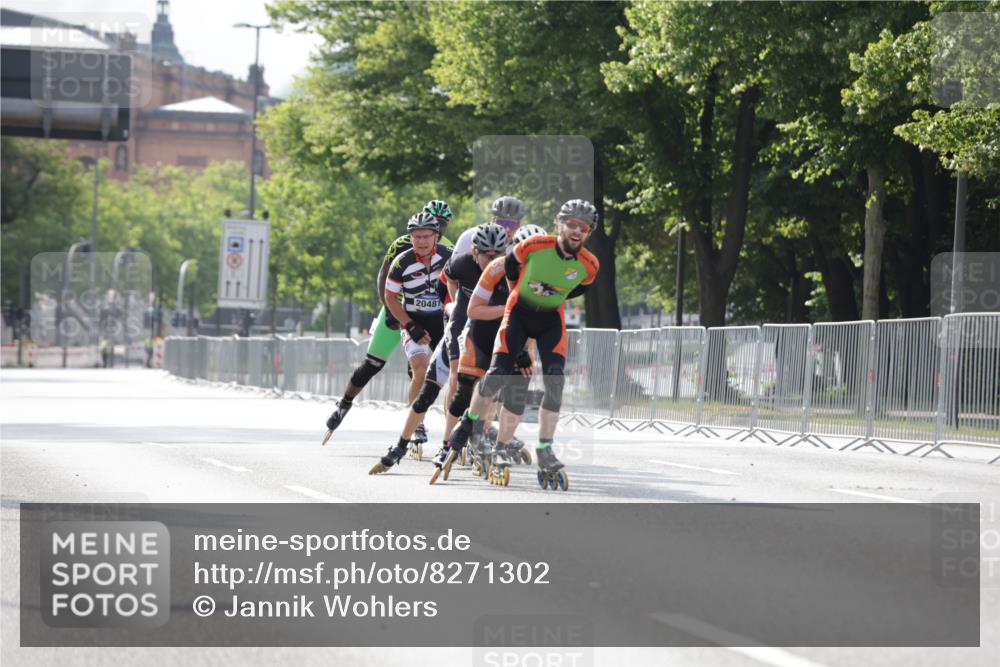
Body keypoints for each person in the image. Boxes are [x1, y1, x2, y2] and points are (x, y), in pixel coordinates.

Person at [449, 199, 600, 490]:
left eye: (584, 227)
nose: (576, 231)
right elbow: (509, 268)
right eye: (570, 224)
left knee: (555, 382)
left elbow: (578, 287)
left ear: (589, 232)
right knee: (495, 377)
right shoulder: (533, 246)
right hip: (517, 313)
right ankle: (468, 422)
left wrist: (546, 298)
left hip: (550, 320)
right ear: (559, 223)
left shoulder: (590, 264)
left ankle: (545, 447)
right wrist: (525, 294)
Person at [370, 223, 508, 475]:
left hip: (488, 332)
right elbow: (446, 283)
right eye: (487, 255)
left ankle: (480, 436)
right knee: (443, 385)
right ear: (474, 252)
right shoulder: (461, 263)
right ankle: (408, 445)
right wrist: (452, 306)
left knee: (490, 386)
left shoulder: (508, 271)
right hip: (460, 329)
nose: (493, 260)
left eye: (498, 254)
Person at [321, 200, 453, 445]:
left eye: (443, 225)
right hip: (397, 309)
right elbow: (384, 276)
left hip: (430, 314)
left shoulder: (447, 249)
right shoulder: (404, 245)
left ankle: (421, 423)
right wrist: (391, 312)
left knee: (422, 368)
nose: (441, 229)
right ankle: (344, 403)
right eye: (438, 223)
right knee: (373, 362)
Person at [431, 223, 547, 484]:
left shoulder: (539, 278)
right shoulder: (496, 268)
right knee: (469, 391)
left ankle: (496, 444)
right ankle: (451, 441)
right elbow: (473, 310)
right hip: (479, 333)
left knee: (514, 392)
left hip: (510, 336)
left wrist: (527, 350)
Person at [368, 212, 453, 473]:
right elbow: (390, 297)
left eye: (426, 236)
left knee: (456, 375)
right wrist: (409, 325)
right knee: (421, 367)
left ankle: (454, 430)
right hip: (413, 320)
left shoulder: (450, 257)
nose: (421, 241)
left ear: (436, 236)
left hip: (443, 321)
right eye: (416, 237)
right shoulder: (402, 262)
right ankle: (417, 424)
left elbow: (461, 287)